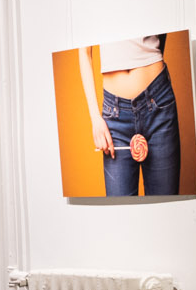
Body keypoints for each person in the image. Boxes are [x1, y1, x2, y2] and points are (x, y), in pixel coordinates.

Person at [77, 35, 181, 196]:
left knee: (165, 205)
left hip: (158, 104)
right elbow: (84, 51)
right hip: (115, 117)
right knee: (120, 208)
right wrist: (95, 118)